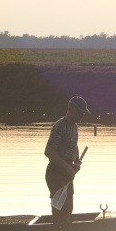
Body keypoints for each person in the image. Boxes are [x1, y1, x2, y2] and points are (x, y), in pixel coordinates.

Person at [44, 96, 90, 224]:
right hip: (56, 172)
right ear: (71, 109)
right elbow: (49, 152)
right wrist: (67, 167)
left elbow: (74, 146)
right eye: (79, 112)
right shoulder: (60, 126)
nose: (82, 116)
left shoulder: (74, 127)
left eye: (83, 113)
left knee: (68, 206)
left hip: (67, 171)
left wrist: (77, 162)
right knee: (60, 207)